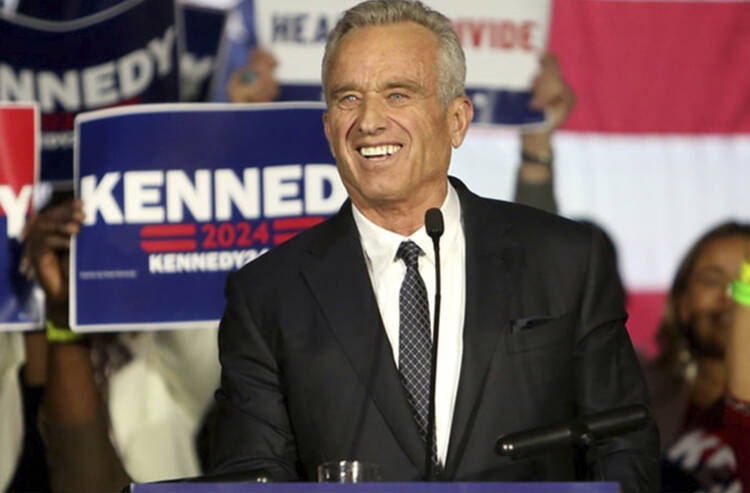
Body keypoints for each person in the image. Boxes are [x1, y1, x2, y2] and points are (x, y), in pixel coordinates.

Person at [208, 0, 658, 489]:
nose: (370, 121)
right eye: (348, 98)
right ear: (328, 129)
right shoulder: (267, 294)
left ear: (457, 120)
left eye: (398, 94)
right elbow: (250, 474)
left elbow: (624, 447)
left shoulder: (565, 261)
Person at [645, 222, 750, 491]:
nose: (731, 296)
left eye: (746, 283)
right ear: (682, 304)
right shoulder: (639, 392)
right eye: (713, 280)